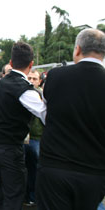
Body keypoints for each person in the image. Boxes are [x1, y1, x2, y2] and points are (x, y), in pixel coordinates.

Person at [36, 28, 105, 210]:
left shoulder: (56, 76)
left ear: (77, 49)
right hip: (94, 172)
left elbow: (46, 114)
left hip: (55, 167)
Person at [0, 42, 45, 210]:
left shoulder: (4, 82)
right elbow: (46, 115)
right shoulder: (25, 90)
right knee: (15, 192)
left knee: (3, 188)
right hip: (9, 147)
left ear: (11, 63)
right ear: (31, 64)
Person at [23, 69, 44, 206]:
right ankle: (26, 196)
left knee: (36, 169)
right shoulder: (22, 94)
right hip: (23, 138)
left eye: (34, 79)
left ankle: (34, 196)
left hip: (37, 138)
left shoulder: (43, 96)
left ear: (39, 81)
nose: (31, 81)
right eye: (29, 78)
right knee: (24, 168)